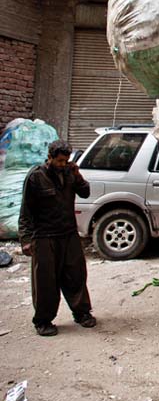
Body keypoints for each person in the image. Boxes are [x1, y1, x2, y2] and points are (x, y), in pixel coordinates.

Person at [19, 139, 96, 336]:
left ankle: (82, 313)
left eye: (66, 161)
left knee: (76, 276)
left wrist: (78, 175)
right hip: (44, 236)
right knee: (46, 282)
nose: (63, 164)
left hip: (68, 234)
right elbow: (26, 211)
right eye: (60, 161)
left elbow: (86, 193)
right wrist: (26, 239)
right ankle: (43, 321)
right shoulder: (36, 177)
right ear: (50, 157)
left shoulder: (70, 173)